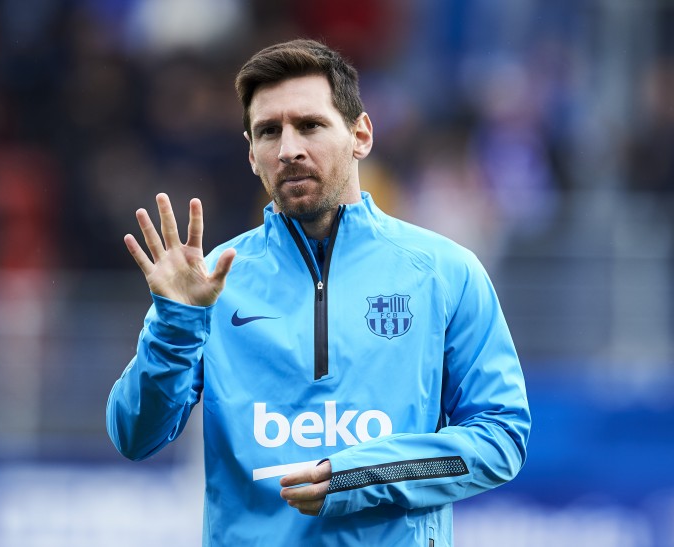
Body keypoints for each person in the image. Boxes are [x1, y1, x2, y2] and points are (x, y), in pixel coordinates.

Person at [106, 39, 530, 546]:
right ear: (251, 154)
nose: (288, 149)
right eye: (269, 131)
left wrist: (361, 475)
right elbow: (135, 436)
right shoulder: (211, 281)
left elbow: (501, 438)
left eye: (309, 125)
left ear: (360, 135)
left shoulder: (445, 272)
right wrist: (175, 325)